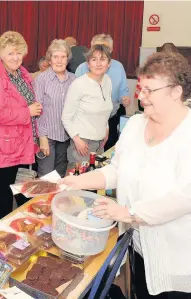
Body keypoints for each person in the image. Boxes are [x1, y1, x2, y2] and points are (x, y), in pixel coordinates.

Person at [60, 52, 191, 298]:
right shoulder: (135, 125)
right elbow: (118, 170)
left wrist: (130, 213)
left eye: (150, 90)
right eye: (141, 88)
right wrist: (76, 182)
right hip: (139, 244)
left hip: (178, 255)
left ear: (176, 91)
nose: (140, 96)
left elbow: (184, 196)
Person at [0, 31, 42, 225]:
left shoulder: (22, 75)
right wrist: (27, 112)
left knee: (20, 192)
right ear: (0, 55)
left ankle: (12, 240)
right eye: (10, 53)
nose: (15, 57)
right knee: (3, 200)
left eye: (18, 53)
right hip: (3, 149)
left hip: (21, 144)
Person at [75, 34, 129, 150]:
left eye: (106, 48)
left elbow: (123, 90)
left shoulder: (118, 67)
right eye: (98, 47)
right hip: (88, 120)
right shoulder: (82, 68)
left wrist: (125, 97)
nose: (101, 51)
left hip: (112, 116)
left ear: (111, 49)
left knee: (108, 152)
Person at [62, 44, 113, 168]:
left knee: (94, 183)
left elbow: (105, 109)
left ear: (109, 63)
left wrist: (106, 130)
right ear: (88, 63)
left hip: (100, 142)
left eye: (103, 59)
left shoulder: (107, 80)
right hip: (82, 144)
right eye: (94, 59)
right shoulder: (79, 84)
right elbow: (66, 117)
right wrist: (77, 140)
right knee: (77, 184)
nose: (98, 63)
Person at [35, 39, 75, 177]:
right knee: (46, 178)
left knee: (60, 177)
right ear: (49, 59)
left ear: (67, 59)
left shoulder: (74, 80)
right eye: (55, 56)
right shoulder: (42, 79)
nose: (59, 61)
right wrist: (42, 137)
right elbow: (37, 110)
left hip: (66, 136)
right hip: (48, 137)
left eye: (63, 56)